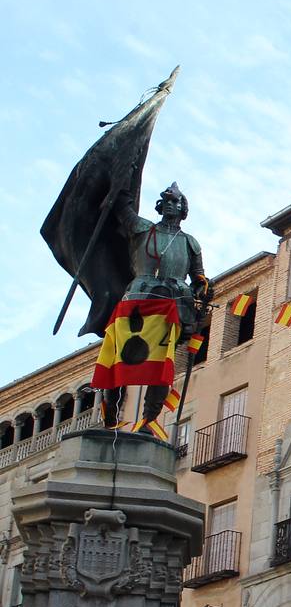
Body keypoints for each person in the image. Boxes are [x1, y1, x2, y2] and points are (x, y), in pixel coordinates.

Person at [99, 183, 211, 428]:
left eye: (176, 202)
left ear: (183, 209)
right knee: (121, 354)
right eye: (167, 201)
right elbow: (120, 207)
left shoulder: (190, 243)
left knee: (162, 363)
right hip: (139, 298)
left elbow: (198, 275)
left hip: (172, 304)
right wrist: (124, 175)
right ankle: (110, 415)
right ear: (161, 206)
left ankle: (149, 418)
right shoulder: (142, 228)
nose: (171, 205)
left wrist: (203, 288)